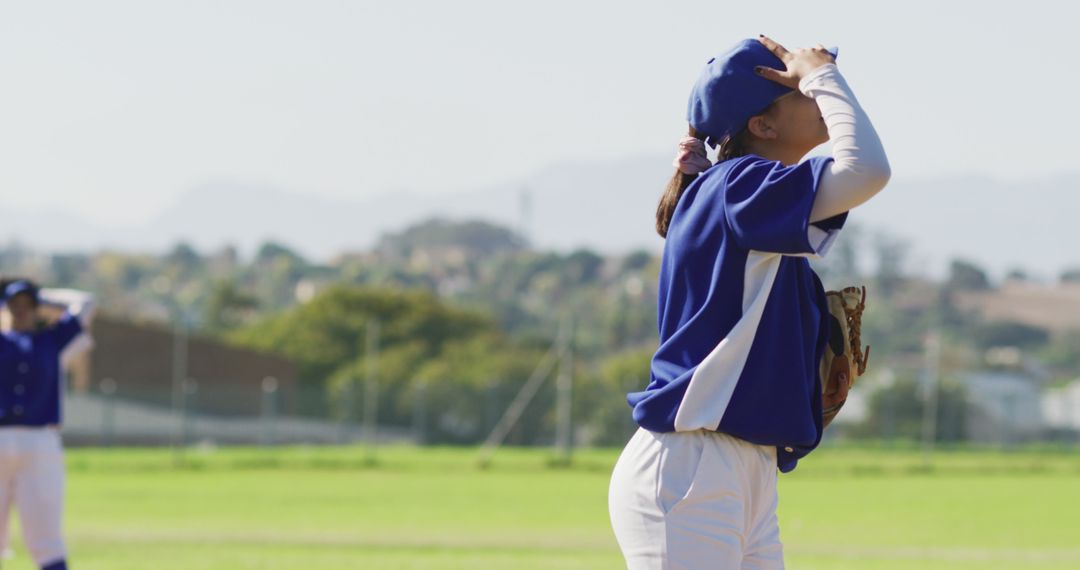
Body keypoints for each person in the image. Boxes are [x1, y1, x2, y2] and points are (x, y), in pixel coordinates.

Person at [608, 36, 890, 569]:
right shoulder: (740, 184)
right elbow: (867, 171)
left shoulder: (742, 196)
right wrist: (825, 78)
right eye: (798, 90)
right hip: (692, 468)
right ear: (762, 125)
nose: (814, 93)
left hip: (740, 466)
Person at [0, 279, 95, 570]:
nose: (21, 310)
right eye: (15, 305)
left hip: (41, 445)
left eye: (28, 305)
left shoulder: (53, 341)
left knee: (47, 538)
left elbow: (87, 302)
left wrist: (43, 297)